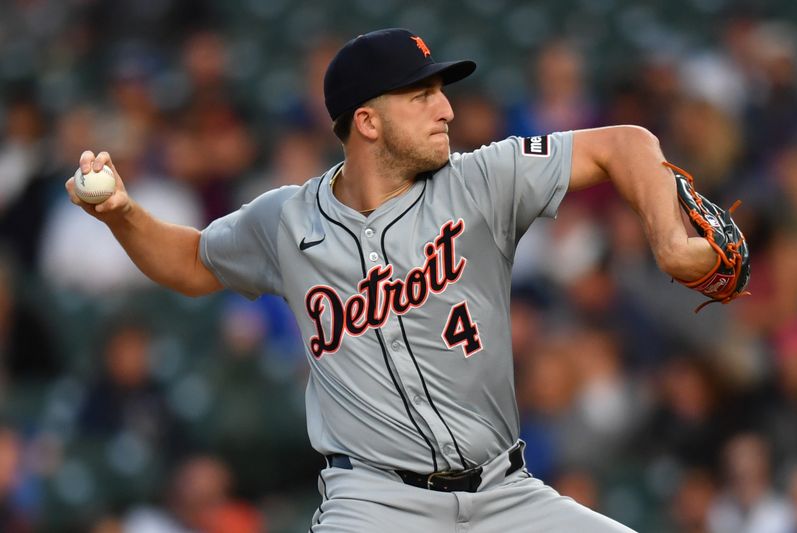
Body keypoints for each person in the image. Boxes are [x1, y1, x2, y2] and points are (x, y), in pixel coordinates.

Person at [67, 28, 720, 532]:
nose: (446, 110)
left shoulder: (480, 179)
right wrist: (122, 214)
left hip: (505, 491)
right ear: (367, 121)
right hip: (375, 503)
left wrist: (668, 237)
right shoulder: (286, 221)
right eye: (422, 95)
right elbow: (188, 261)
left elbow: (626, 144)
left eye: (442, 91)